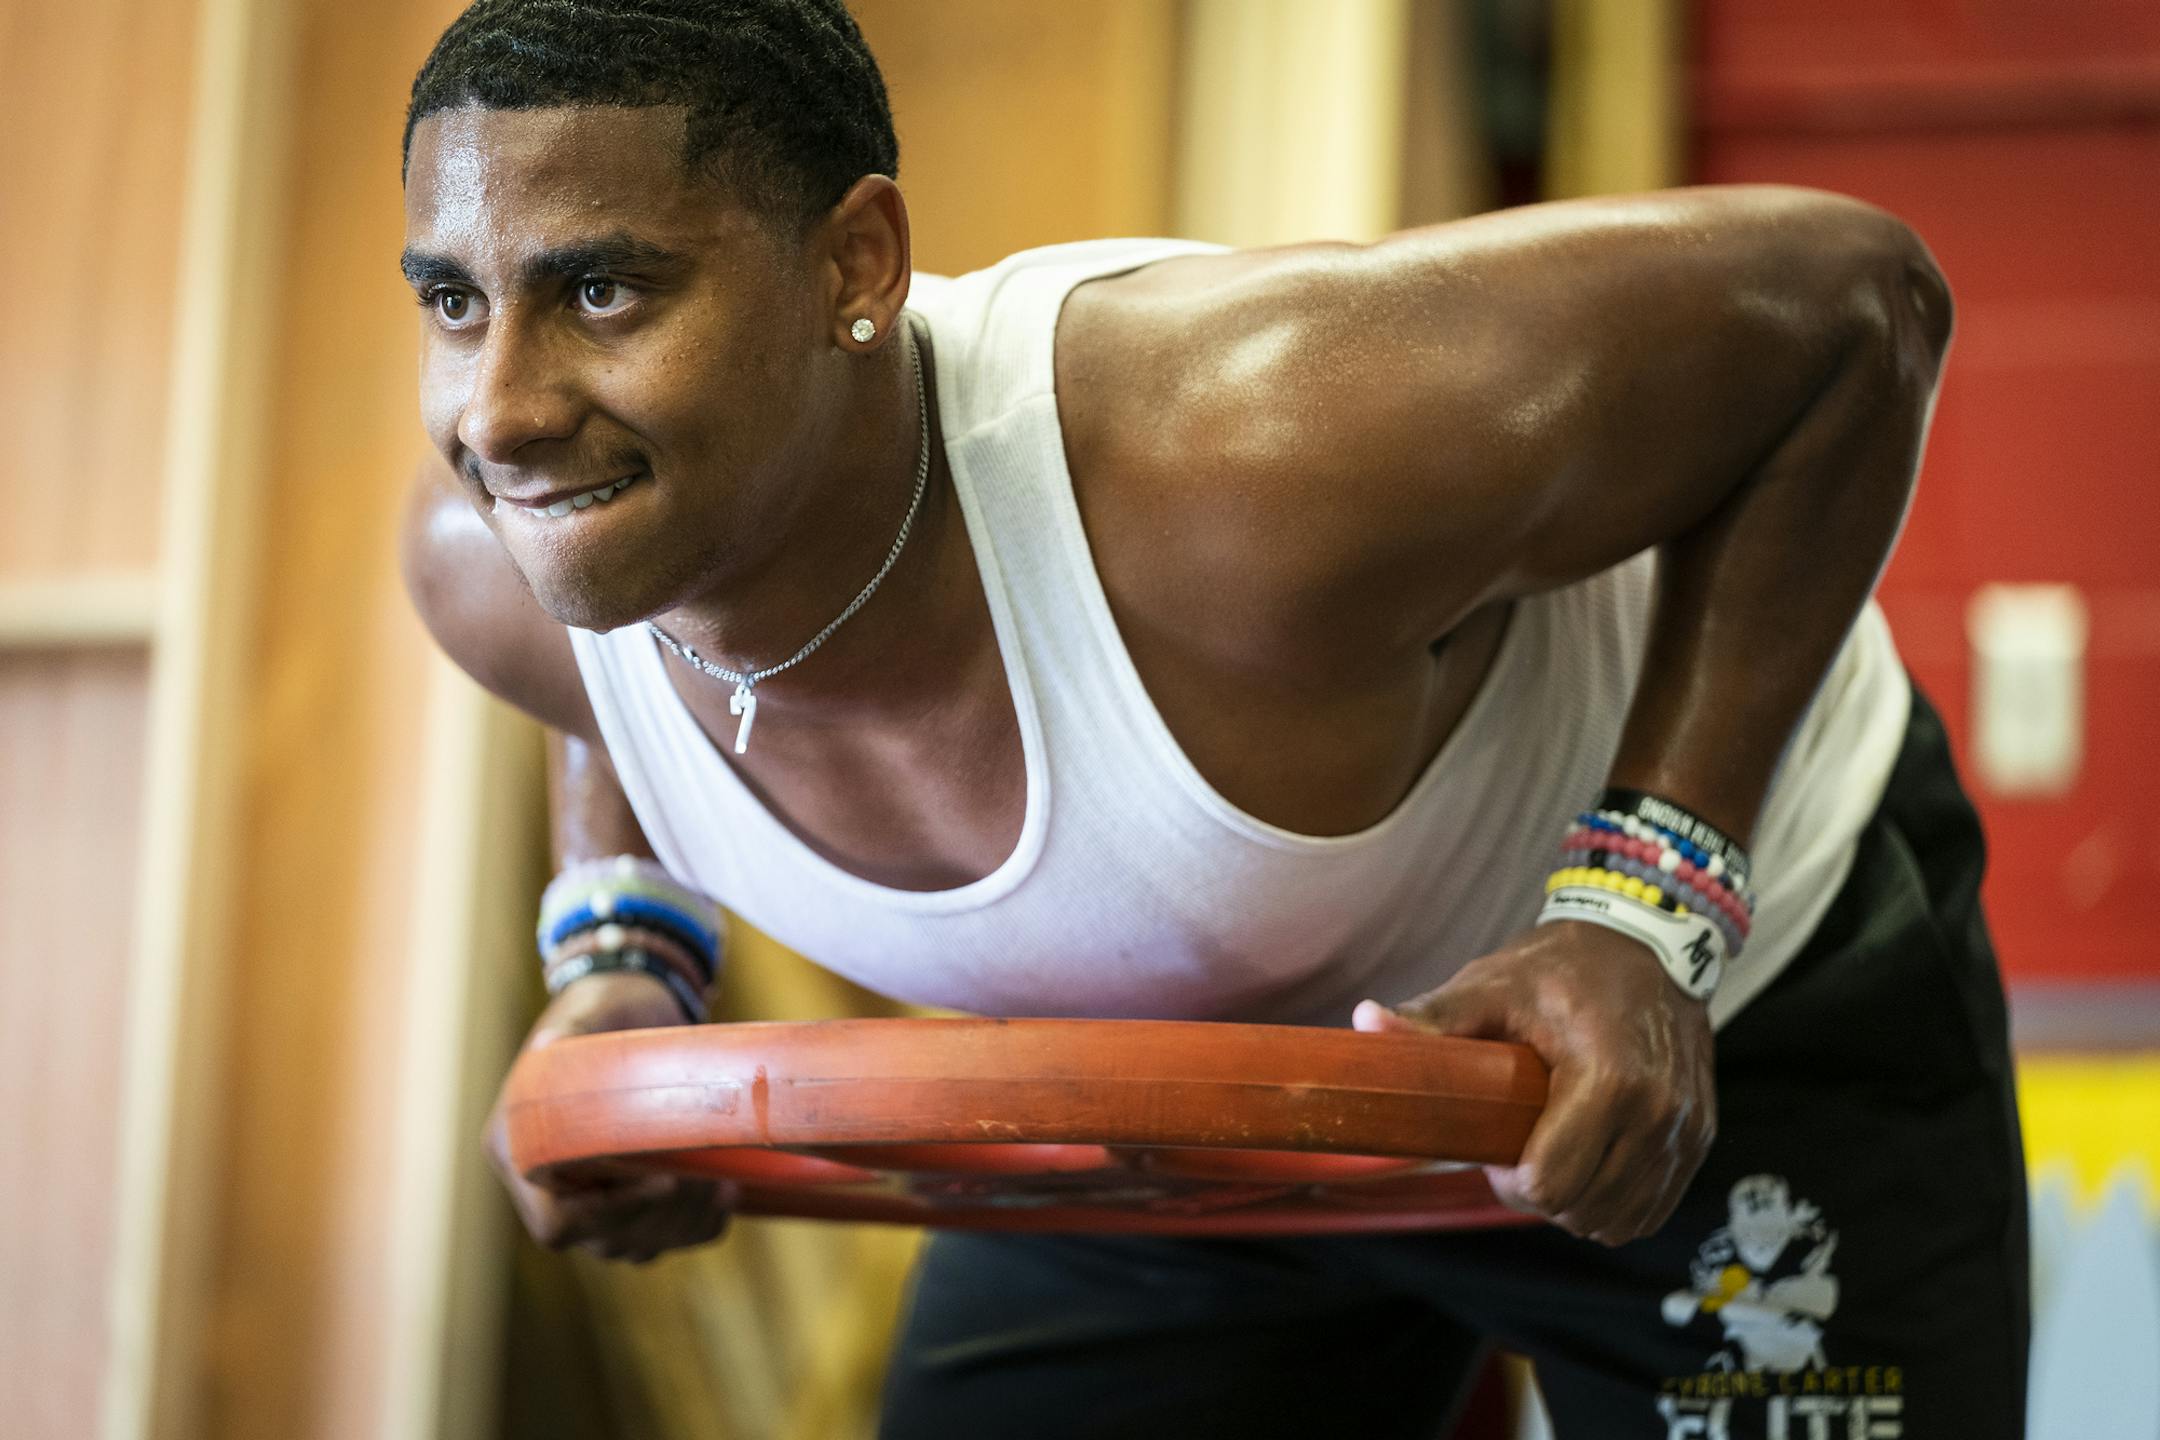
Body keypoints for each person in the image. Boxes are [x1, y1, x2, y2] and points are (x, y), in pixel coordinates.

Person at [396, 2, 2028, 1435]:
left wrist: (1648, 906)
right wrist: (623, 947)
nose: (503, 412)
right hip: (1180, 1112)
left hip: (1712, 1035)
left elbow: (1857, 308)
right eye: (455, 302)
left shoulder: (1252, 454)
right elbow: (590, 669)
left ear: (857, 265)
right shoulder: (502, 560)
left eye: (601, 290)